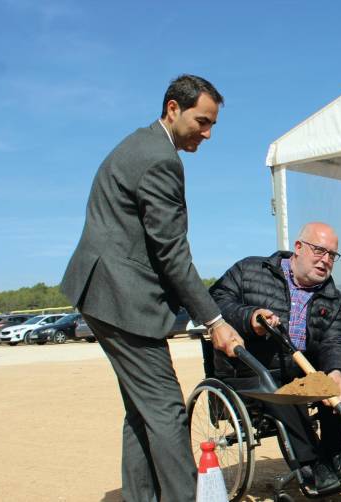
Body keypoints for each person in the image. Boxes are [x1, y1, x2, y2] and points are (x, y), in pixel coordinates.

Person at [61, 74, 243, 501]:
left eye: (212, 124)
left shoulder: (138, 145)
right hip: (123, 300)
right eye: (202, 121)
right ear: (173, 109)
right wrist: (214, 319)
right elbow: (171, 252)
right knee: (166, 409)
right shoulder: (160, 159)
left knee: (141, 411)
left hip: (103, 293)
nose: (208, 133)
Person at [209, 222, 341, 492]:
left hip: (297, 371)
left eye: (332, 255)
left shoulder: (336, 301)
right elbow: (216, 299)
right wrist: (250, 316)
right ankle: (312, 465)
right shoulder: (249, 271)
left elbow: (335, 342)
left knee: (338, 379)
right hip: (248, 370)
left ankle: (338, 455)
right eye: (319, 250)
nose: (325, 260)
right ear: (299, 248)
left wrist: (336, 372)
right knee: (281, 387)